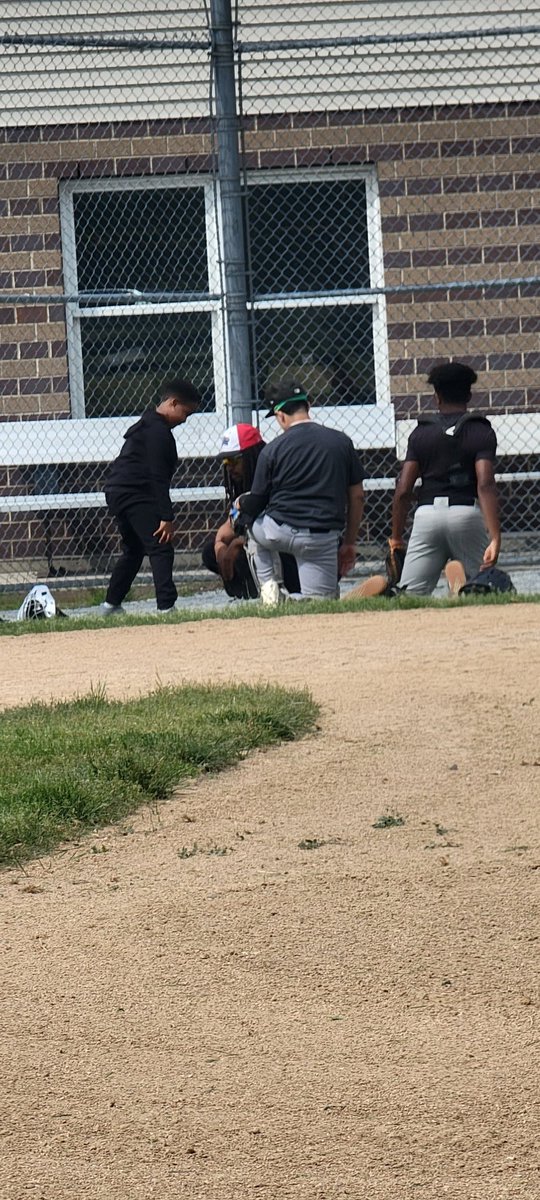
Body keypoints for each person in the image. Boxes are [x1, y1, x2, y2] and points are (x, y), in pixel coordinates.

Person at [356, 362, 500, 598]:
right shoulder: (480, 431)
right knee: (481, 587)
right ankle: (461, 586)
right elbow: (485, 484)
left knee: (410, 594)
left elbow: (403, 490)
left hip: (427, 515)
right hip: (465, 512)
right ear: (469, 394)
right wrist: (495, 536)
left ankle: (386, 593)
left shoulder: (421, 433)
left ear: (437, 396)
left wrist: (396, 537)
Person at [238, 379, 365, 604]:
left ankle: (270, 587)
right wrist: (349, 542)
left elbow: (257, 501)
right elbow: (357, 496)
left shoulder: (272, 449)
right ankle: (296, 598)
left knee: (250, 518)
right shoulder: (341, 442)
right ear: (308, 404)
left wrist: (241, 506)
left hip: (278, 531)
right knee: (321, 604)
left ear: (280, 415)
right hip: (321, 536)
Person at [102, 378, 201, 615]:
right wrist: (166, 516)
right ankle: (166, 606)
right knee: (160, 546)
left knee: (134, 549)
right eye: (185, 413)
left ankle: (111, 604)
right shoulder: (158, 432)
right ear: (173, 403)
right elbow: (158, 477)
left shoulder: (146, 424)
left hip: (119, 491)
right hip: (136, 492)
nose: (185, 420)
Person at [201, 423, 300, 599]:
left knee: (243, 551)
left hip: (289, 550)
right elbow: (228, 526)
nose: (229, 467)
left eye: (234, 460)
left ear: (252, 456)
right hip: (260, 547)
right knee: (210, 553)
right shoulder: (243, 489)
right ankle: (252, 594)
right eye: (226, 461)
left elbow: (274, 528)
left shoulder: (275, 478)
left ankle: (281, 591)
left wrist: (237, 543)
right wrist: (220, 546)